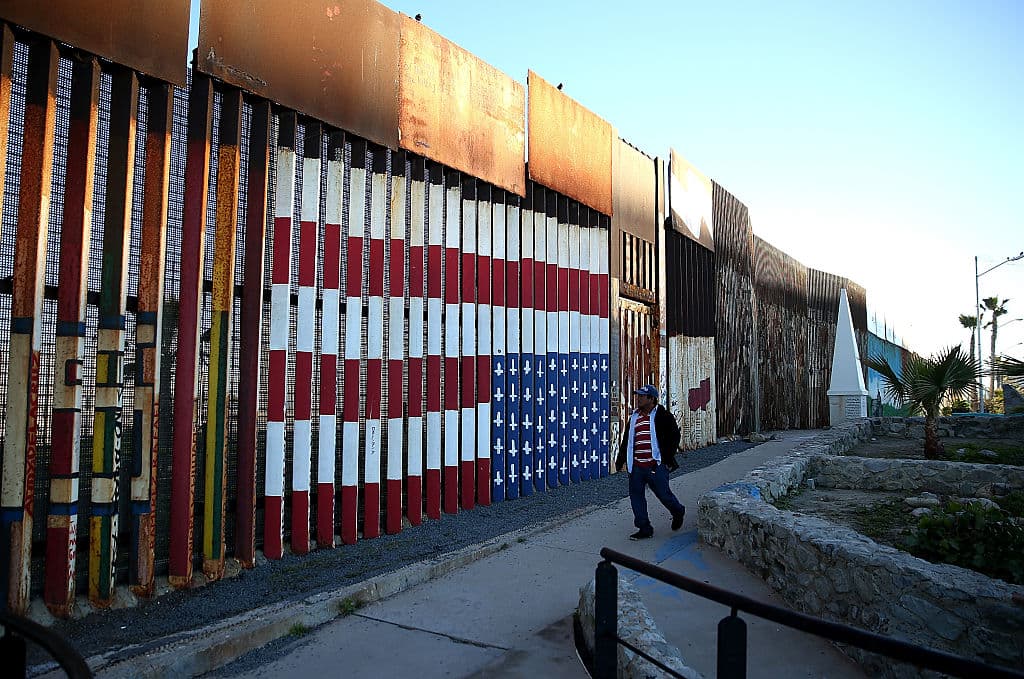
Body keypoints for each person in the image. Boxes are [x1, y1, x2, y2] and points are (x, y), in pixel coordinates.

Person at [615, 384, 686, 540]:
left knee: (664, 494)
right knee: (636, 497)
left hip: (656, 465)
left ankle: (678, 511)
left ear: (651, 399)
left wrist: (666, 459)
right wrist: (620, 461)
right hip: (637, 467)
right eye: (638, 396)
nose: (638, 399)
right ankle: (644, 528)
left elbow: (675, 437)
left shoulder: (663, 416)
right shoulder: (635, 417)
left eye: (642, 396)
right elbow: (627, 440)